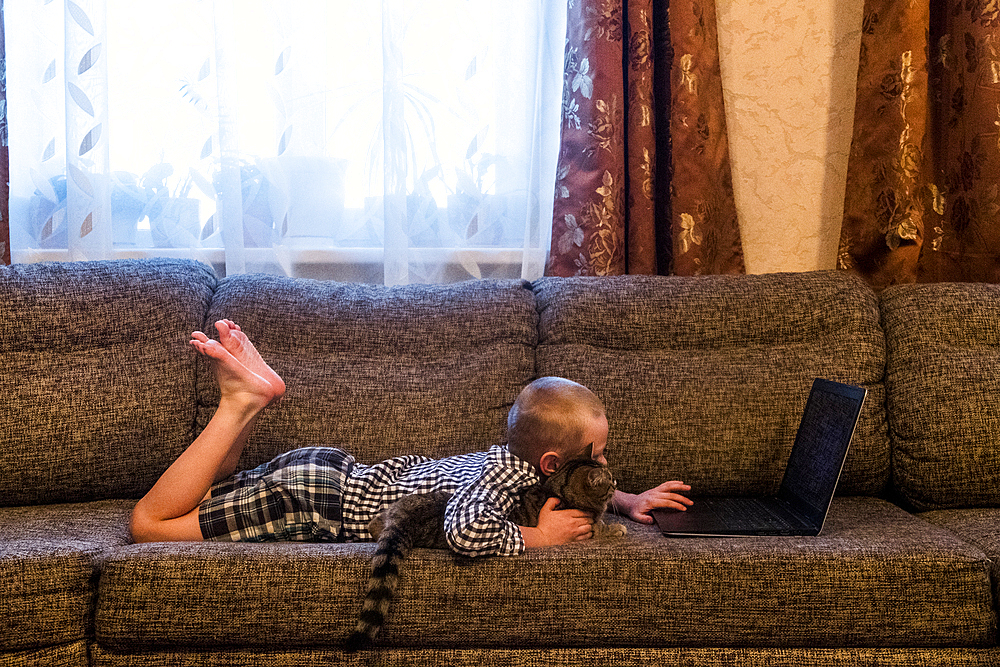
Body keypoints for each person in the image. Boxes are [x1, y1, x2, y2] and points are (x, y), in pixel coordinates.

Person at [129, 321, 693, 556]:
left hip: (332, 474)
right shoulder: (498, 491)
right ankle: (240, 402)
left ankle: (250, 396)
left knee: (212, 489)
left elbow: (578, 488)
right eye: (596, 457)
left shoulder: (509, 461)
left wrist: (628, 501)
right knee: (150, 527)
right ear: (550, 462)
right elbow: (465, 530)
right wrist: (538, 538)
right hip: (318, 502)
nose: (603, 466)